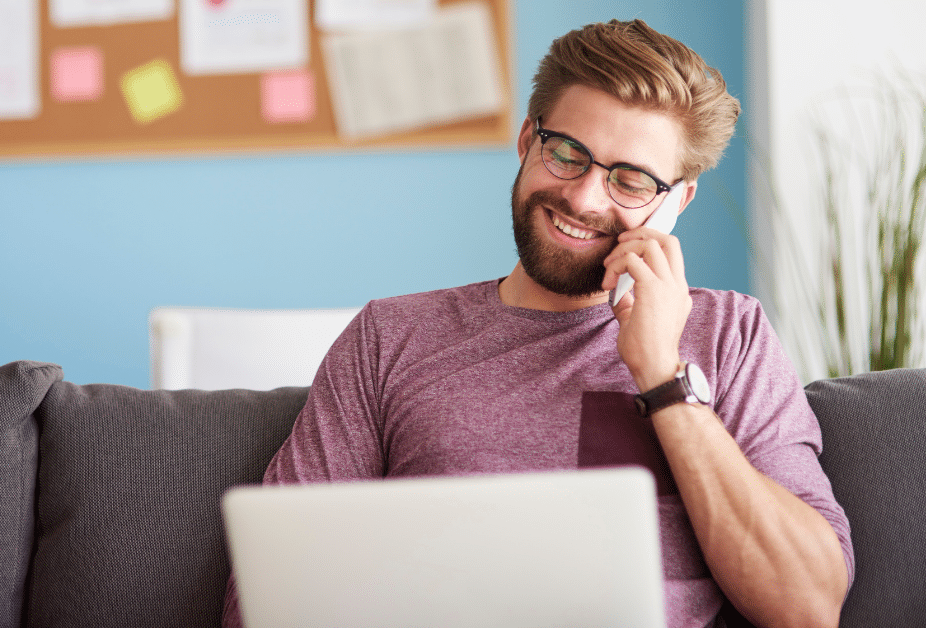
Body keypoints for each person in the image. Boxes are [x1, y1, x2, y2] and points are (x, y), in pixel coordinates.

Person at [223, 18, 853, 628]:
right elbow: (268, 592)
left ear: (676, 200)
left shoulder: (730, 335)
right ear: (528, 140)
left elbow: (806, 606)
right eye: (568, 154)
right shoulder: (389, 338)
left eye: (631, 180)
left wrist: (663, 376)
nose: (583, 198)